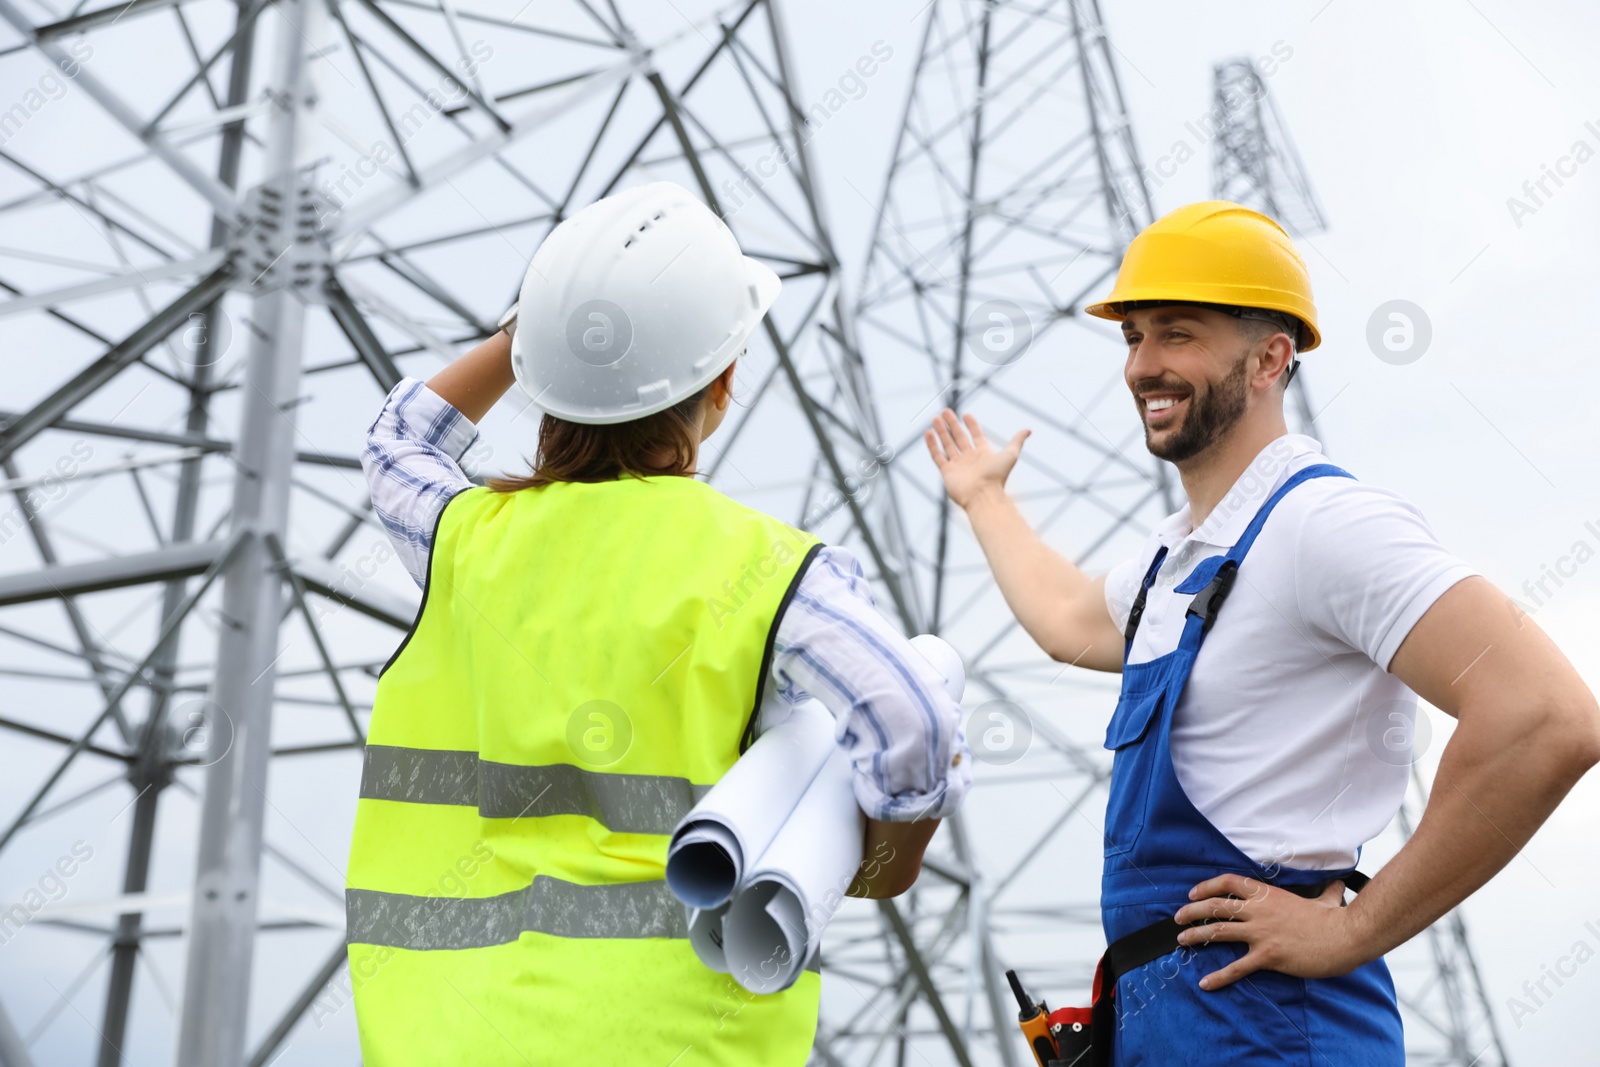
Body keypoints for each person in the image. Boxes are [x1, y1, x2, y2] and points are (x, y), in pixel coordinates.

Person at [925, 200, 1600, 1064]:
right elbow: (1065, 619)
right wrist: (985, 496)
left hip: (1279, 1029)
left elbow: (1546, 716)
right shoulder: (1178, 560)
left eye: (1177, 334)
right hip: (1170, 1026)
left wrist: (1355, 929)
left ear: (1271, 358)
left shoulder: (1326, 525)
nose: (1143, 364)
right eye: (1132, 336)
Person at [346, 181, 969, 1065]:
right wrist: (888, 860)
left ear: (538, 365)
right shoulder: (774, 570)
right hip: (671, 1036)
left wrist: (538, 334)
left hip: (446, 1032)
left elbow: (396, 439)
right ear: (722, 382)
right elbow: (913, 715)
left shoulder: (463, 541)